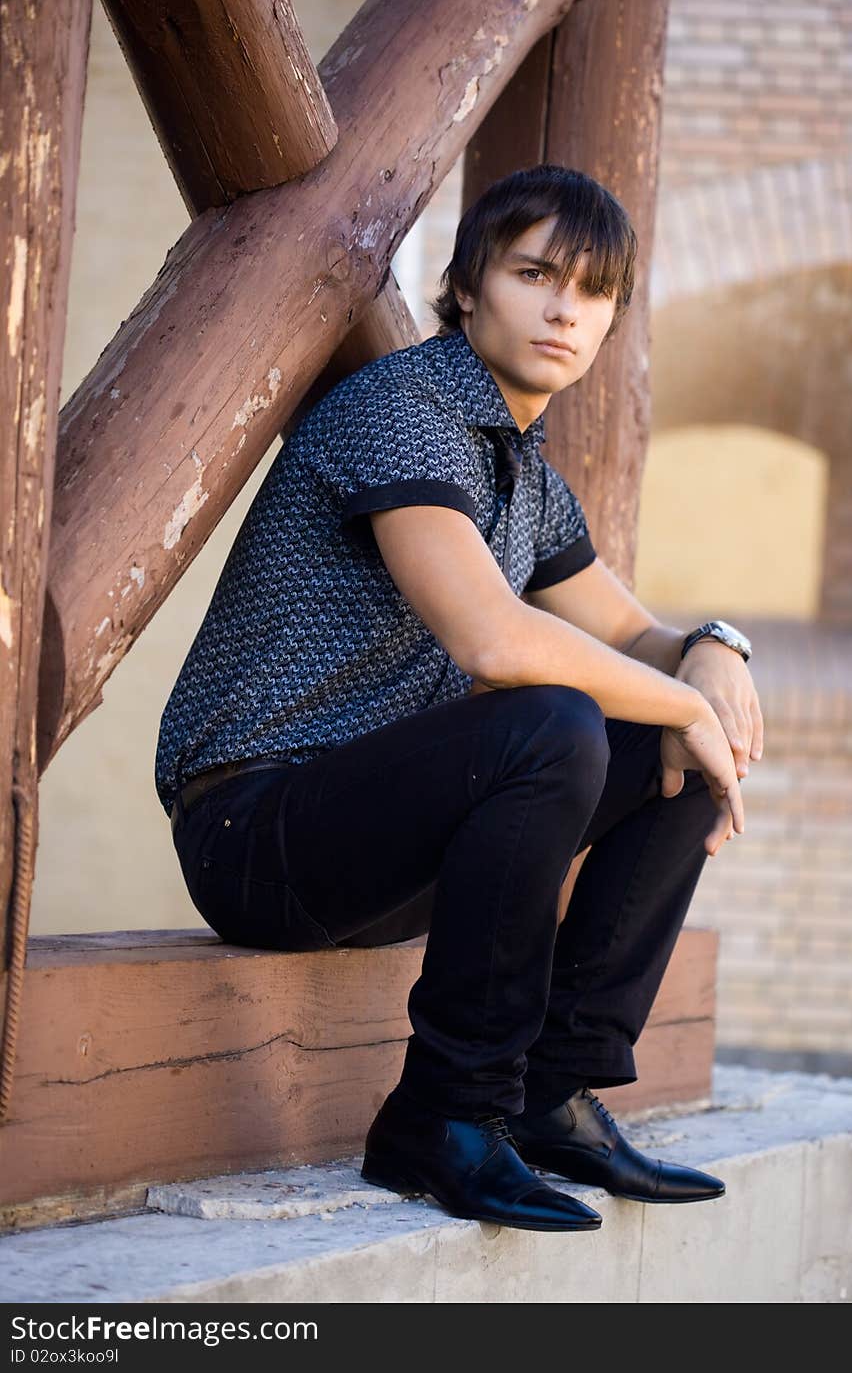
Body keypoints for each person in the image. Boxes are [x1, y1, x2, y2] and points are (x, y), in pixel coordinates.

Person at [156, 164, 763, 1234]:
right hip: (255, 830)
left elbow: (635, 636)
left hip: (389, 845)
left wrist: (713, 656)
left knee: (678, 753)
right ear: (469, 285)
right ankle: (442, 1116)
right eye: (534, 273)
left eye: (590, 289)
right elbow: (491, 638)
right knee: (560, 718)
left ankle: (547, 1093)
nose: (563, 307)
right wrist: (682, 700)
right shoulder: (400, 409)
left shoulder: (523, 470)